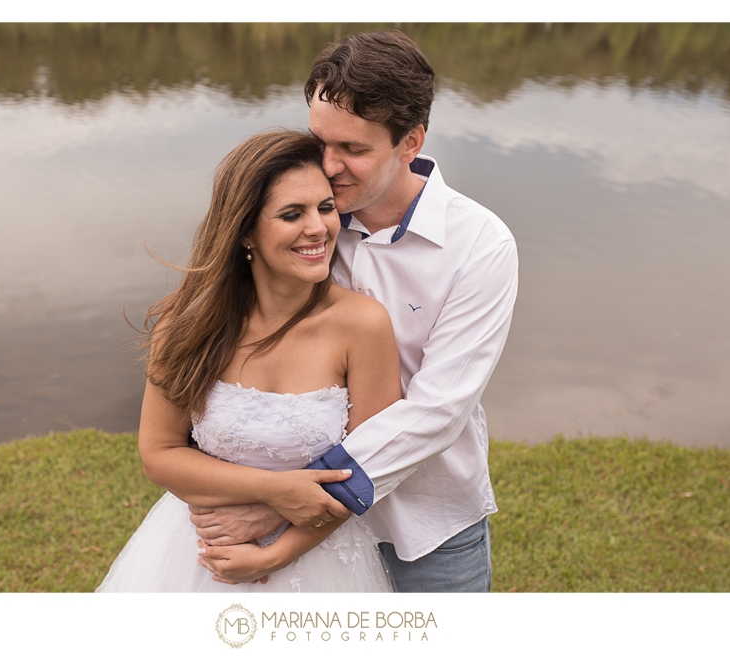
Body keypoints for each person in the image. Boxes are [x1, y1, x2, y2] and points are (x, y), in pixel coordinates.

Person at [189, 30, 518, 592]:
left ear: (410, 142)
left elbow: (437, 410)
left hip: (425, 531)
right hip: (292, 524)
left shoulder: (481, 245)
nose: (329, 166)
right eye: (321, 141)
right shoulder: (304, 224)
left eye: (355, 150)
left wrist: (288, 505)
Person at [96, 130, 402, 592]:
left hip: (322, 561)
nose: (318, 228)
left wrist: (278, 552)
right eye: (291, 214)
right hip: (201, 552)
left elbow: (371, 465)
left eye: (324, 207)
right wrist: (276, 491)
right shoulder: (186, 323)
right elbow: (159, 454)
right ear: (244, 232)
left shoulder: (363, 325)